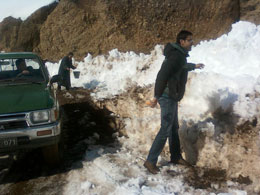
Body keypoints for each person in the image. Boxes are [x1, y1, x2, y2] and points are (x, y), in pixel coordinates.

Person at [144, 30, 205, 174]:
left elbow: (181, 67)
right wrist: (156, 97)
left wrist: (193, 66)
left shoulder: (179, 56)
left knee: (173, 127)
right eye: (190, 40)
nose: (192, 43)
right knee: (165, 128)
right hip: (166, 96)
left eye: (192, 40)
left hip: (171, 96)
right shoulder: (176, 56)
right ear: (181, 41)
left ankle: (176, 156)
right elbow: (161, 76)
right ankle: (150, 161)